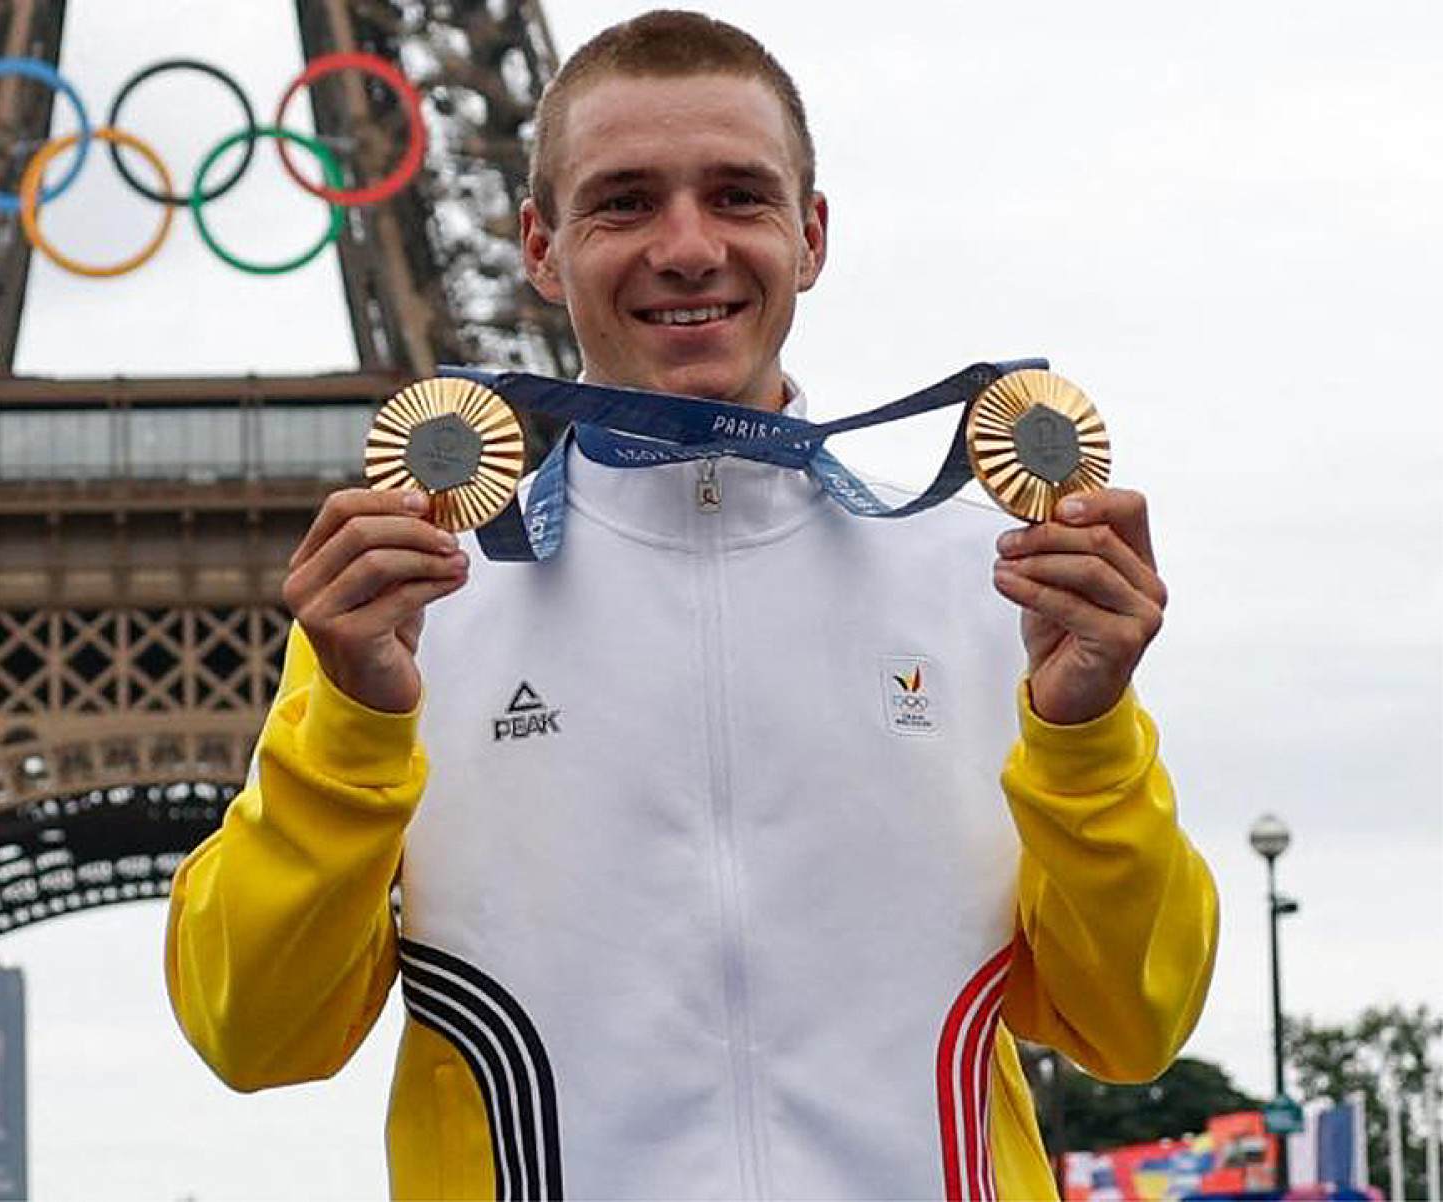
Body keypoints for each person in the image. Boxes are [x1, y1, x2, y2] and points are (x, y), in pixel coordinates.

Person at [166, 10, 1218, 1198]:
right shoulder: (415, 617)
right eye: (623, 202)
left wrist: (1084, 742)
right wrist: (353, 730)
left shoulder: (992, 586)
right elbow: (252, 1034)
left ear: (810, 235)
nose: (686, 247)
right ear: (540, 247)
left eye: (737, 196)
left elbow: (1136, 1022)